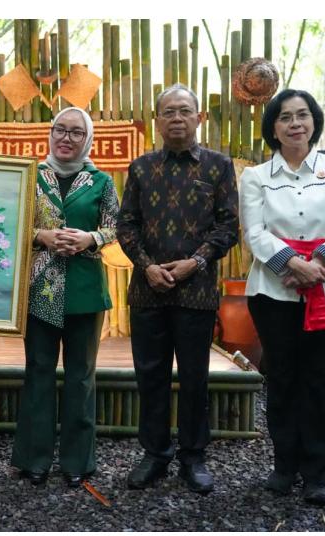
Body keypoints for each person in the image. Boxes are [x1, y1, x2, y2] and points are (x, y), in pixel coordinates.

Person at [240, 89, 325, 506]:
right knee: (282, 376)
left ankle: (319, 472)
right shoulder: (256, 177)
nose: (295, 123)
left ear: (314, 122)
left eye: (303, 115)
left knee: (318, 377)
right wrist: (293, 263)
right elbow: (254, 231)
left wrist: (319, 266)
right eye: (285, 117)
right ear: (272, 127)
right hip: (273, 291)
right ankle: (284, 465)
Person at [117, 83, 239, 494]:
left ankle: (193, 456)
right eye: (168, 112)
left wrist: (196, 262)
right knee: (150, 376)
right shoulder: (141, 167)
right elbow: (126, 225)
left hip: (197, 291)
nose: (176, 118)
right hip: (148, 290)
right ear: (157, 120)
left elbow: (228, 226)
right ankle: (154, 455)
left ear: (199, 117)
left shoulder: (218, 167)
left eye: (184, 111)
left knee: (194, 377)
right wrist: (148, 267)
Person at [8, 107, 119, 487]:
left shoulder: (101, 181)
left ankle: (77, 461)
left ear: (87, 139)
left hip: (86, 288)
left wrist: (92, 238)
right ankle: (34, 459)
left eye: (76, 132)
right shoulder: (30, 176)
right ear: (50, 134)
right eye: (60, 130)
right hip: (41, 286)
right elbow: (10, 221)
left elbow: (116, 225)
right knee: (38, 372)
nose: (66, 138)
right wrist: (40, 236)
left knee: (81, 376)